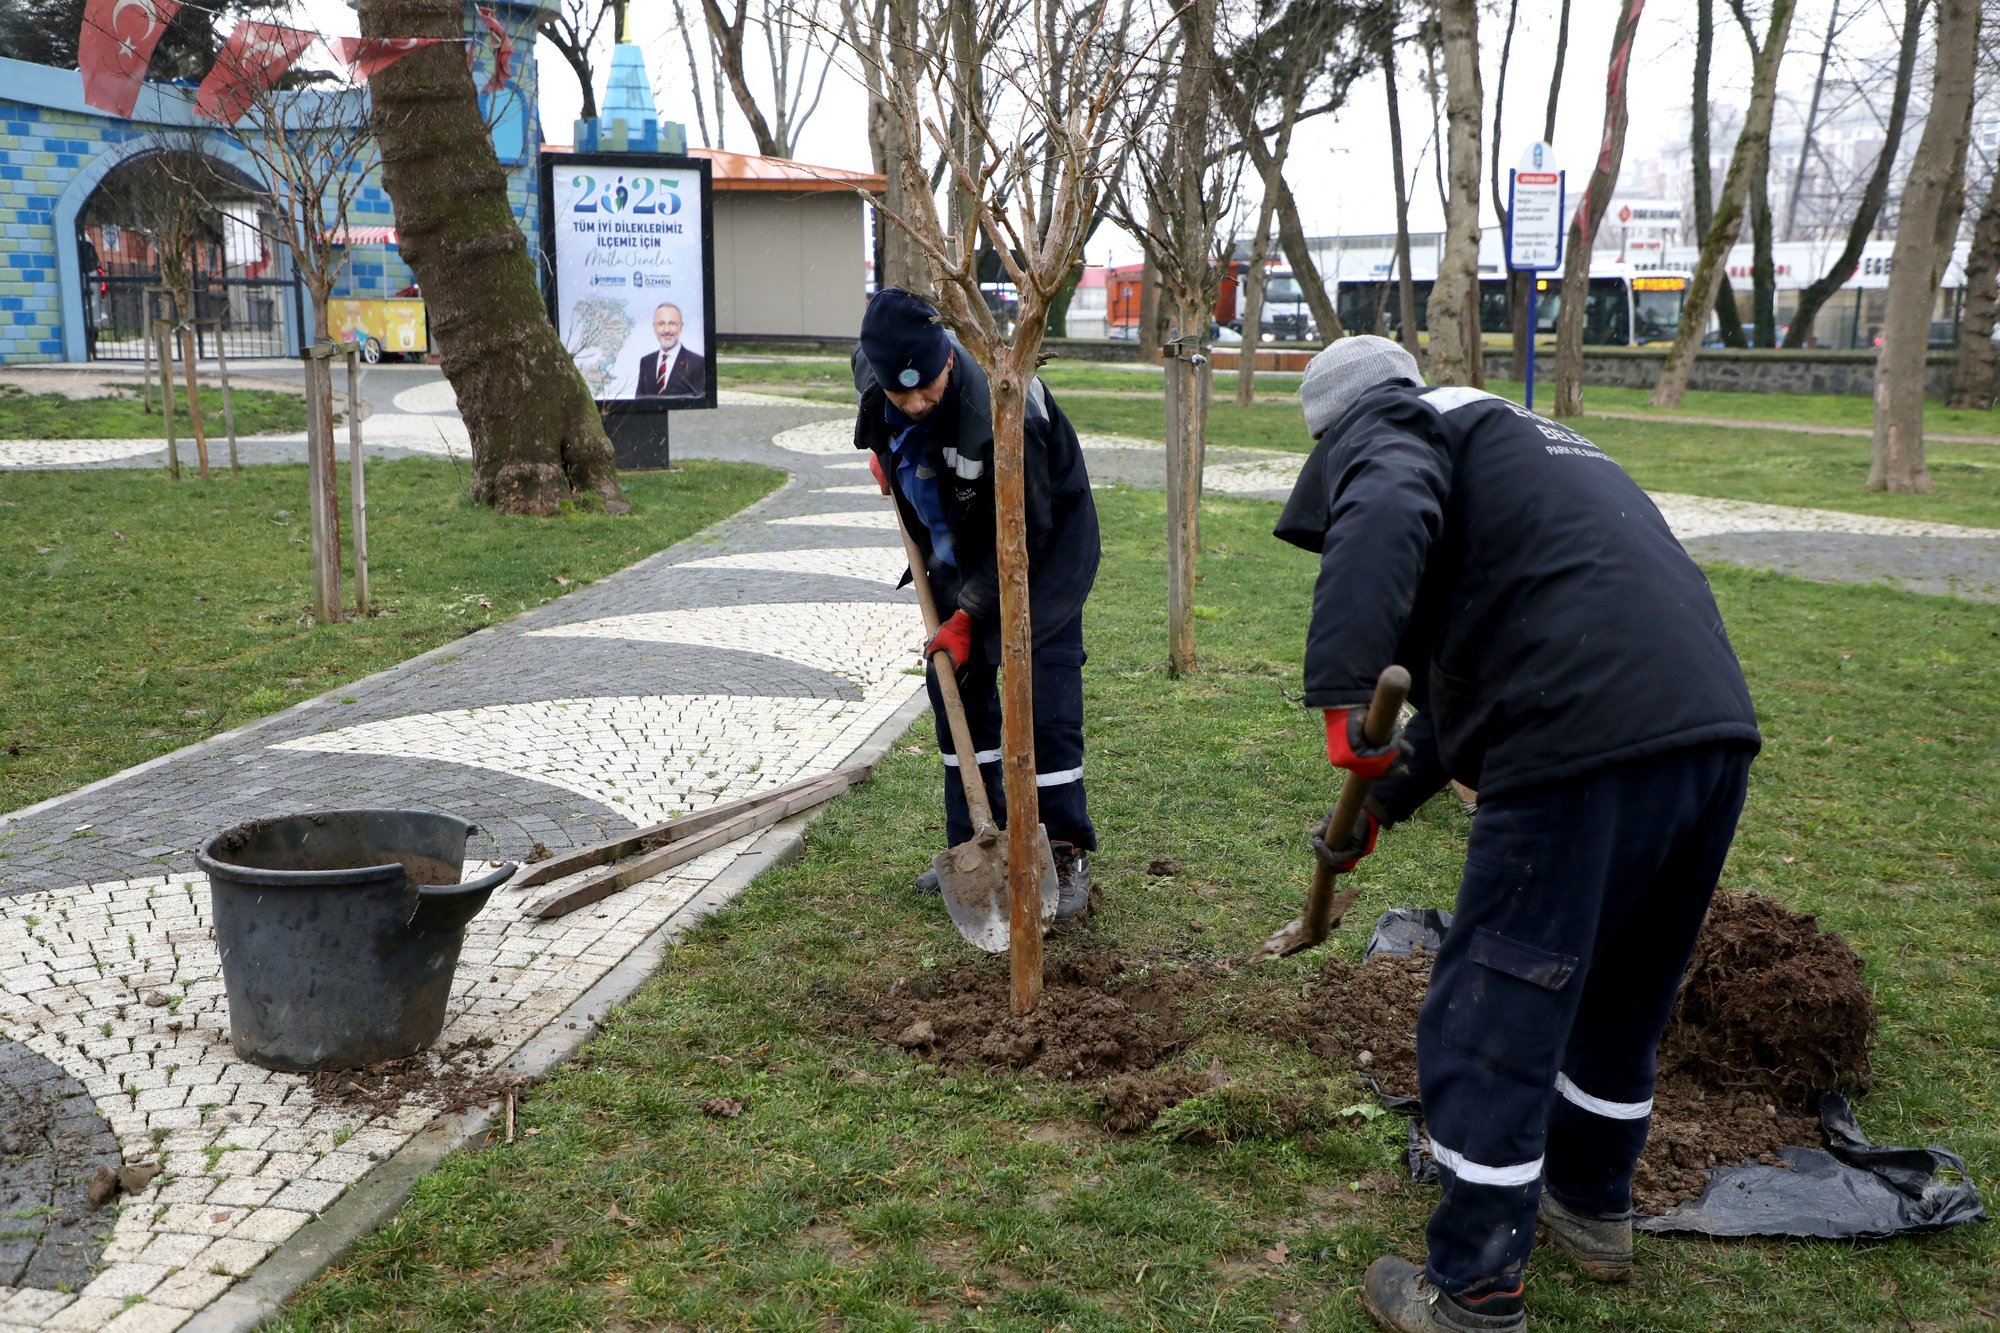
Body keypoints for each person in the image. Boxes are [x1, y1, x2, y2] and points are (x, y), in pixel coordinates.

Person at [1272, 336, 1761, 1333]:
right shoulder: (1519, 448)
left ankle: (1473, 1290)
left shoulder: (1402, 427)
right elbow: (1458, 698)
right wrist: (1376, 807)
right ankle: (1589, 1204)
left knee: (1491, 1005)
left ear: (1340, 430)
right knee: (1621, 993)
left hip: (1575, 738)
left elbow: (1382, 510)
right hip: (1704, 733)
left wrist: (1337, 690)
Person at [853, 287, 1100, 920]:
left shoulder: (1008, 406)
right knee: (955, 692)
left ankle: (1064, 848)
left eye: (926, 388)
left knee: (1043, 701)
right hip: (954, 549)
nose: (914, 403)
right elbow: (885, 399)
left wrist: (969, 615)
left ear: (948, 358)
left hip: (1041, 554)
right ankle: (974, 841)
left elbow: (1024, 532)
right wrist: (889, 453)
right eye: (897, 394)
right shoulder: (881, 379)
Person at [637, 302, 706, 397]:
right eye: (661, 324)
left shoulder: (697, 363)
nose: (666, 330)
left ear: (680, 327)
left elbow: (699, 401)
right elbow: (640, 399)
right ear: (654, 328)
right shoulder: (646, 362)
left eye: (672, 323)